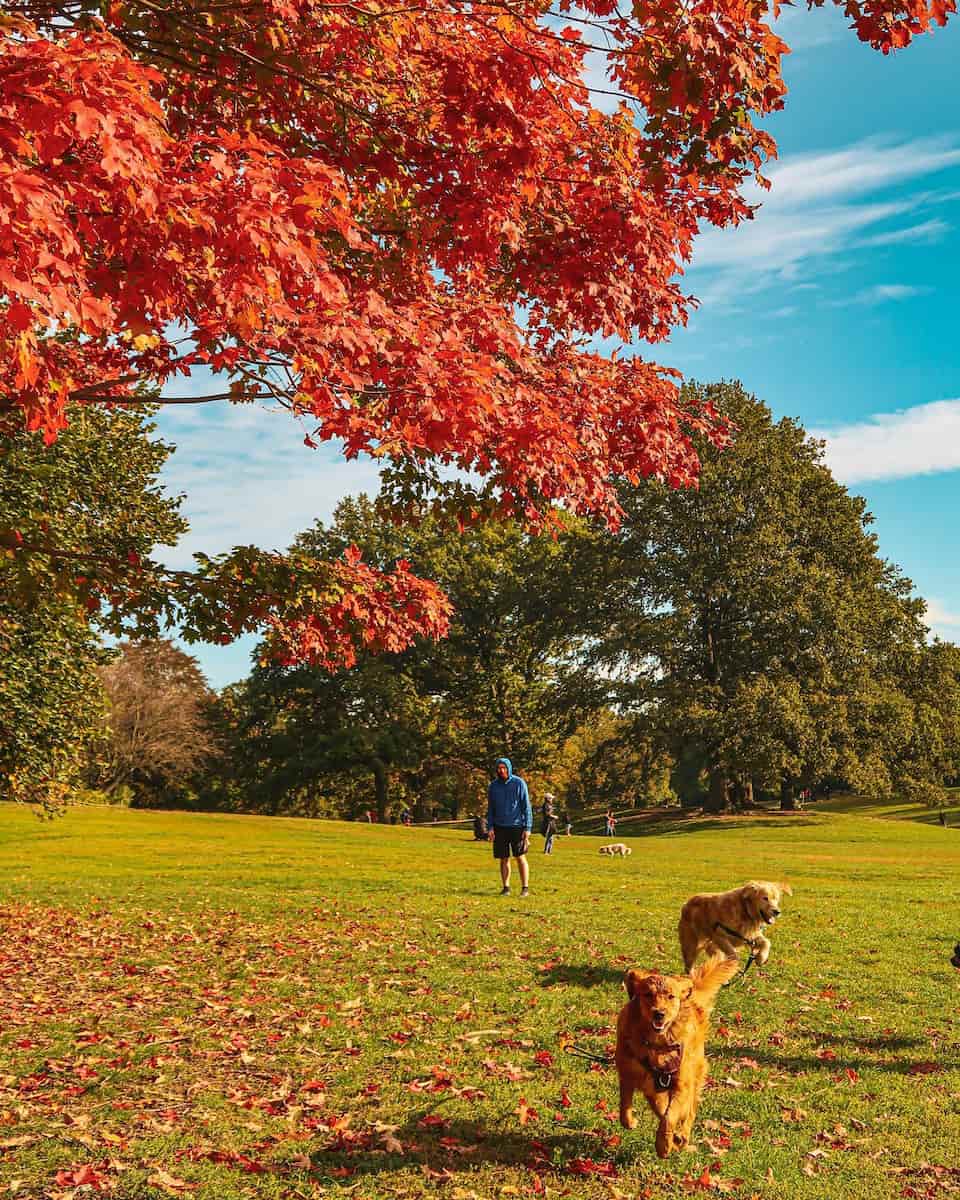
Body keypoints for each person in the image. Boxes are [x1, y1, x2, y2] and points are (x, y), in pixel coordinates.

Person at [486, 756, 533, 897]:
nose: (501, 771)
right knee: (504, 858)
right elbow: (491, 809)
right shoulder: (493, 786)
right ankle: (506, 887)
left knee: (520, 857)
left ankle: (525, 888)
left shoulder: (519, 783)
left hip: (517, 826)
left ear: (509, 768)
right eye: (499, 768)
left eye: (504, 768)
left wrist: (528, 827)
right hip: (500, 827)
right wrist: (490, 827)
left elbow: (526, 806)